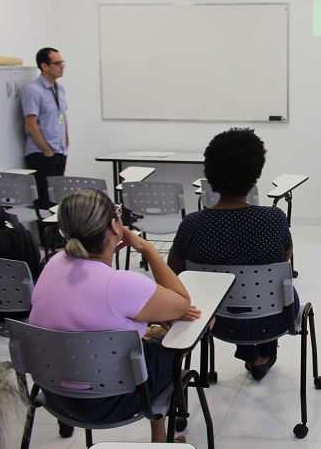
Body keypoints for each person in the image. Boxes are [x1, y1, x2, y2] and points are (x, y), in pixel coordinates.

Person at [28, 188, 199, 443]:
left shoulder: (53, 262)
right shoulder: (121, 284)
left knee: (146, 343)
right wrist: (147, 249)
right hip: (114, 399)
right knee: (170, 344)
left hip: (55, 395)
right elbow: (182, 303)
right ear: (114, 225)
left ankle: (161, 436)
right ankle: (161, 439)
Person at [168, 128, 298, 381]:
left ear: (210, 174)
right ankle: (266, 352)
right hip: (273, 320)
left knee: (225, 292)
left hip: (215, 321)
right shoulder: (273, 219)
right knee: (276, 289)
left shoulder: (192, 224)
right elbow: (282, 261)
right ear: (256, 173)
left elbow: (175, 273)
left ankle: (253, 357)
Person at [20, 48, 69, 208]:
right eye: (57, 63)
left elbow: (62, 115)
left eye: (62, 62)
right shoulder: (33, 91)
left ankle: (58, 227)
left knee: (58, 200)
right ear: (44, 66)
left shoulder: (59, 89)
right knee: (45, 202)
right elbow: (30, 123)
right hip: (42, 154)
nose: (62, 66)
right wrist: (46, 150)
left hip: (59, 150)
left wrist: (66, 141)